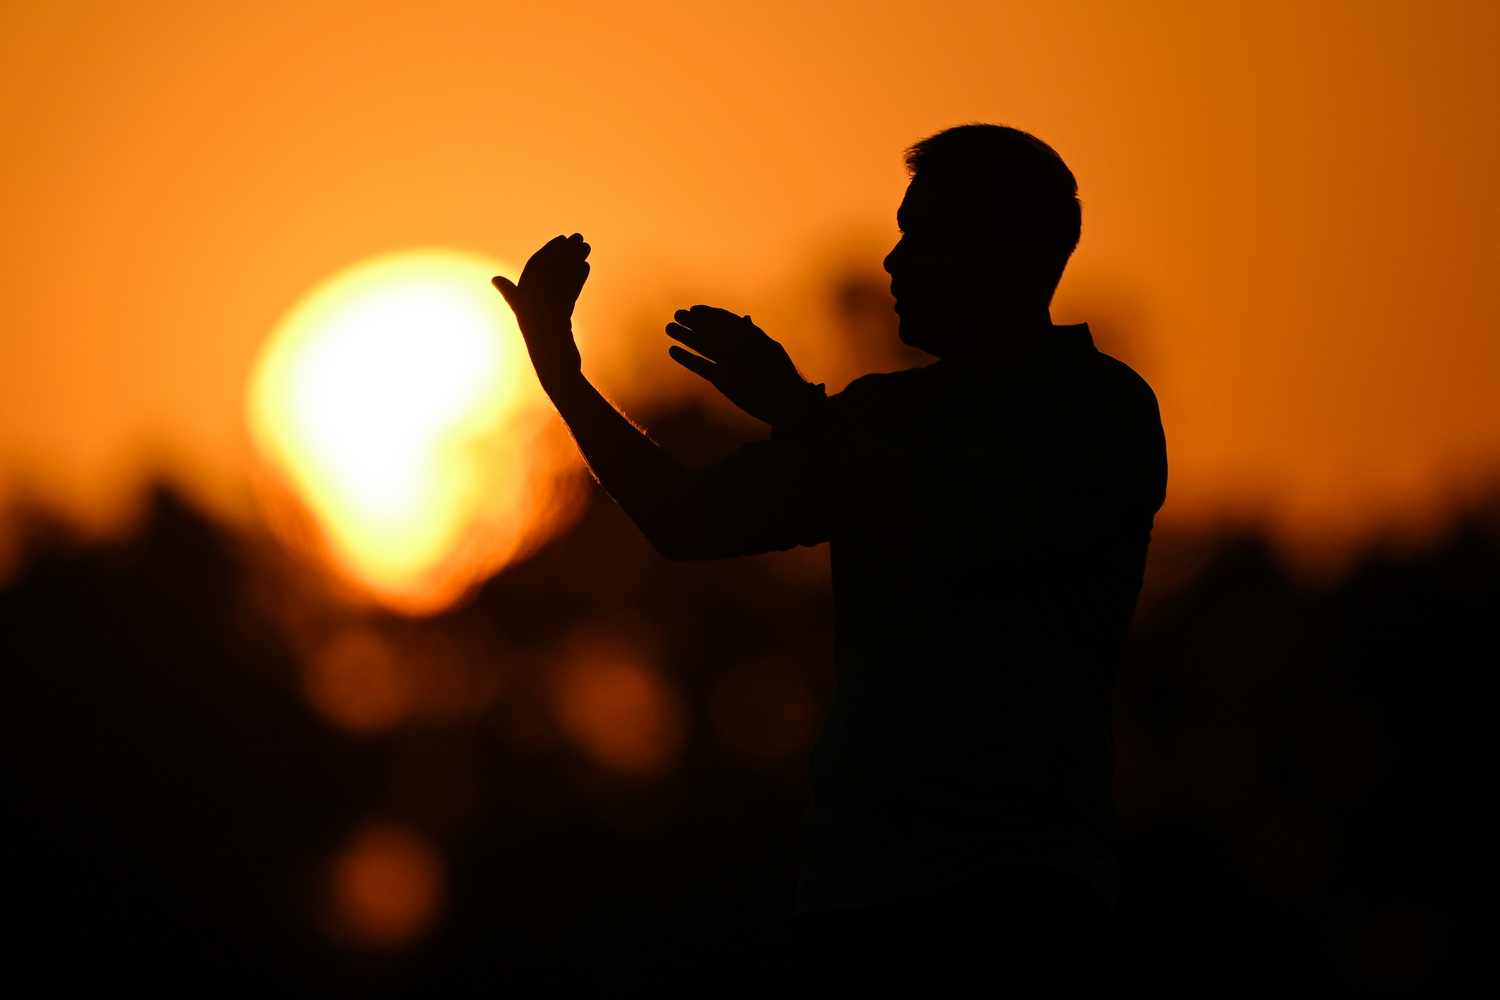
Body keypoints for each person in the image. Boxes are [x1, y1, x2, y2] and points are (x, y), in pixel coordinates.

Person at [494, 124, 1167, 996]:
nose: (896, 261)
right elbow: (687, 521)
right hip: (855, 889)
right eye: (904, 233)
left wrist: (799, 411)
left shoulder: (1098, 409)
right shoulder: (877, 418)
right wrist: (560, 370)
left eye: (934, 238)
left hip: (1018, 883)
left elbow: (979, 533)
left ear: (1023, 257)